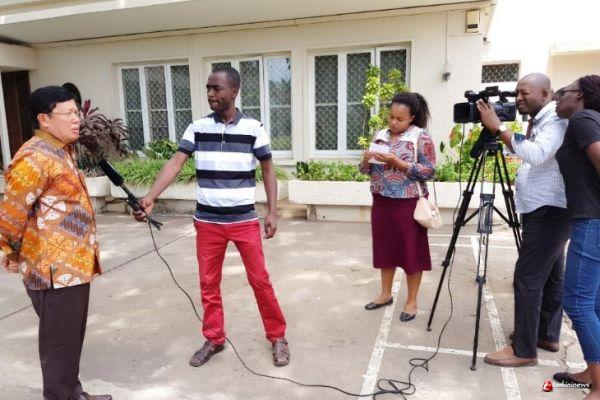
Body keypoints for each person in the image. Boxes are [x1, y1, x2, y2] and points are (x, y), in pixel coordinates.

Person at [133, 66, 290, 367]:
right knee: (208, 283)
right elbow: (175, 163)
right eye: (208, 88)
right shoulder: (197, 127)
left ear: (234, 91)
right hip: (208, 223)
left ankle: (278, 336)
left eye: (217, 88)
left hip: (244, 221)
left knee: (260, 281)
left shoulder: (253, 128)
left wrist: (272, 212)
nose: (210, 94)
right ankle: (214, 338)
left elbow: (268, 170)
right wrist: (150, 197)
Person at [0, 86, 111, 400]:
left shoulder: (60, 150)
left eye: (77, 112)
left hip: (72, 265)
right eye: (69, 114)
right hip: (53, 269)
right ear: (44, 119)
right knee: (59, 344)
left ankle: (72, 393)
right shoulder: (33, 157)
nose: (77, 119)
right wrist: (11, 253)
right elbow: (11, 215)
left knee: (69, 338)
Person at [477, 73, 570, 367]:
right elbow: (531, 149)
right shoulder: (542, 120)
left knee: (527, 277)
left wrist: (499, 127)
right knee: (552, 275)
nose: (518, 98)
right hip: (546, 207)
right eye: (517, 93)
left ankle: (524, 350)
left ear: (545, 93)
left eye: (525, 93)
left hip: (549, 210)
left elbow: (538, 155)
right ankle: (545, 335)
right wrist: (505, 135)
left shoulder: (555, 119)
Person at [359, 92, 436, 322]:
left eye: (400, 119)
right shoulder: (380, 135)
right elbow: (365, 170)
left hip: (409, 202)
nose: (393, 122)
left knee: (411, 252)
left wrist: (398, 163)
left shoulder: (420, 137)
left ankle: (411, 301)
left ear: (412, 117)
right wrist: (366, 160)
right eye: (391, 117)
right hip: (382, 201)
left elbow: (429, 170)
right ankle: (385, 294)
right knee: (385, 250)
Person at [553, 74, 600, 397]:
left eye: (563, 92)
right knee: (593, 302)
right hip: (593, 218)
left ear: (580, 95)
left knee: (578, 303)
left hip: (593, 220)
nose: (558, 98)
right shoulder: (592, 120)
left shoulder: (583, 119)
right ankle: (591, 370)